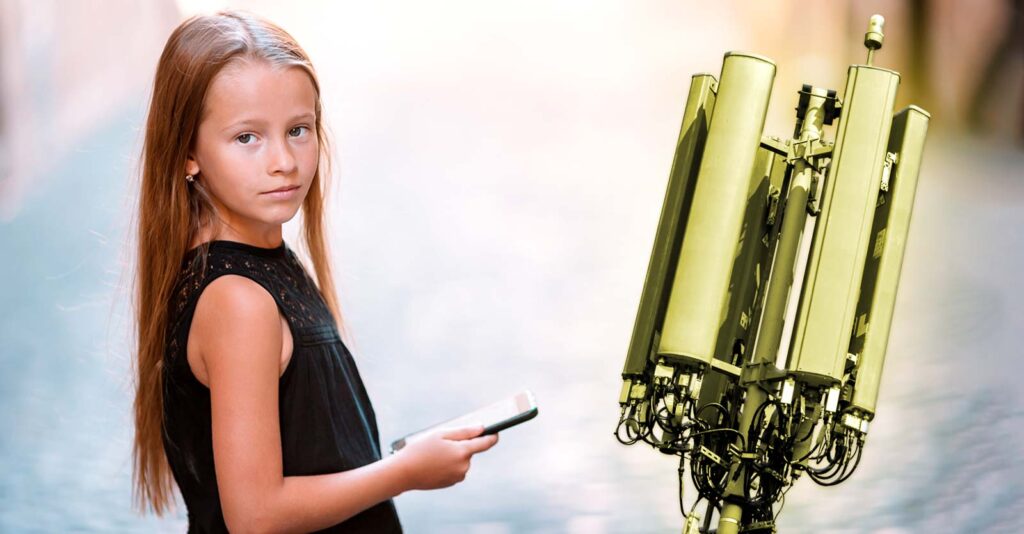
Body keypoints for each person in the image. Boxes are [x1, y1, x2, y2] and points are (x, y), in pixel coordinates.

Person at [130, 10, 499, 533]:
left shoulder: (260, 265)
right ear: (188, 151)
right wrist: (403, 472)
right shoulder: (238, 300)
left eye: (298, 130)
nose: (284, 160)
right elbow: (256, 516)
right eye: (246, 138)